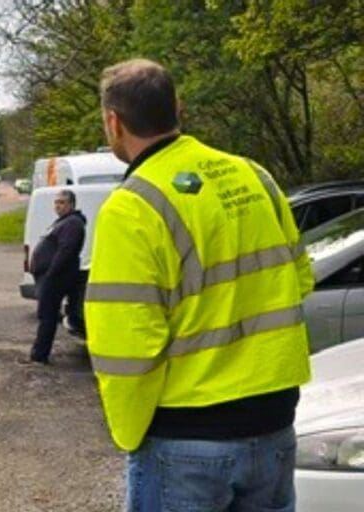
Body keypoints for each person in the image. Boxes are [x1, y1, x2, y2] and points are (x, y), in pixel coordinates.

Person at [85, 59, 313, 511]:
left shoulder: (132, 207)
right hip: (274, 425)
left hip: (185, 437)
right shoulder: (255, 176)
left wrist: (130, 433)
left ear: (114, 123)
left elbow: (126, 346)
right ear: (178, 107)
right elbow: (300, 279)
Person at [25, 189, 86, 364]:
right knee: (46, 315)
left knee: (47, 316)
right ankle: (39, 354)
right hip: (51, 276)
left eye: (62, 202)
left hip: (57, 277)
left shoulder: (73, 223)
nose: (58, 206)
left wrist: (51, 273)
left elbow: (65, 251)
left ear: (71, 204)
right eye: (56, 202)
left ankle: (39, 355)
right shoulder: (64, 222)